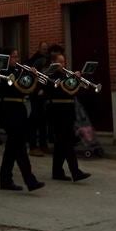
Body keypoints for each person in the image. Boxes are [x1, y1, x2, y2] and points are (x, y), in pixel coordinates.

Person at [0, 48, 45, 192]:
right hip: (9, 110)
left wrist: (33, 76)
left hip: (19, 110)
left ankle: (6, 179)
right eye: (13, 57)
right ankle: (30, 180)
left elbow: (26, 89)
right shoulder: (2, 72)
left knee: (12, 148)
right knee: (19, 147)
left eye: (17, 56)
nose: (16, 60)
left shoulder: (18, 71)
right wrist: (27, 76)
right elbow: (13, 87)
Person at [46, 50, 90, 182]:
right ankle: (75, 171)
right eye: (59, 62)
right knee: (67, 141)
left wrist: (77, 78)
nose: (62, 64)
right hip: (58, 110)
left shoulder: (65, 74)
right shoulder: (51, 75)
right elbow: (60, 89)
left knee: (61, 143)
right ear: (53, 63)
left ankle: (57, 171)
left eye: (64, 62)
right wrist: (72, 79)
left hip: (68, 110)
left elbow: (73, 92)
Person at [26, 41, 51, 157]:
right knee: (35, 119)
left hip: (43, 93)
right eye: (43, 48)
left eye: (46, 49)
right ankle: (33, 146)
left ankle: (43, 144)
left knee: (43, 120)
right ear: (39, 48)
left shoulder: (48, 59)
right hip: (35, 93)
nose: (45, 50)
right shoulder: (35, 60)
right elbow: (33, 77)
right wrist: (37, 90)